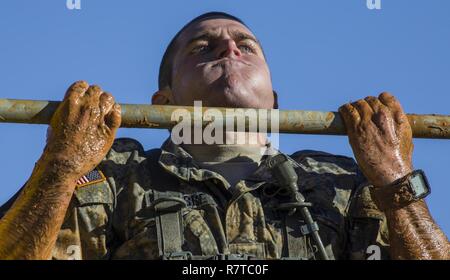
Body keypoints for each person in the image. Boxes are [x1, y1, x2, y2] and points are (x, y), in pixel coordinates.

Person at [0, 12, 448, 260]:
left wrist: (394, 178)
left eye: (245, 45)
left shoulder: (343, 184)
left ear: (273, 101)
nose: (229, 48)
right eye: (202, 47)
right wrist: (59, 168)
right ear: (163, 101)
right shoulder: (116, 175)